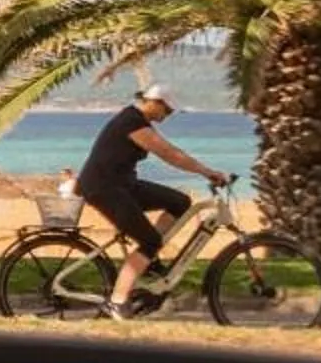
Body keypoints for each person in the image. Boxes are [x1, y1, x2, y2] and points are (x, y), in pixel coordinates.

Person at [72, 84, 230, 317]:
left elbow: (168, 151)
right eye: (167, 111)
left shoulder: (138, 121)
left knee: (179, 202)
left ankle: (149, 260)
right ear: (153, 102)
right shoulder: (132, 122)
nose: (168, 116)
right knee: (149, 242)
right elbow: (169, 153)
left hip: (124, 185)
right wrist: (207, 172)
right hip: (104, 188)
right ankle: (117, 301)